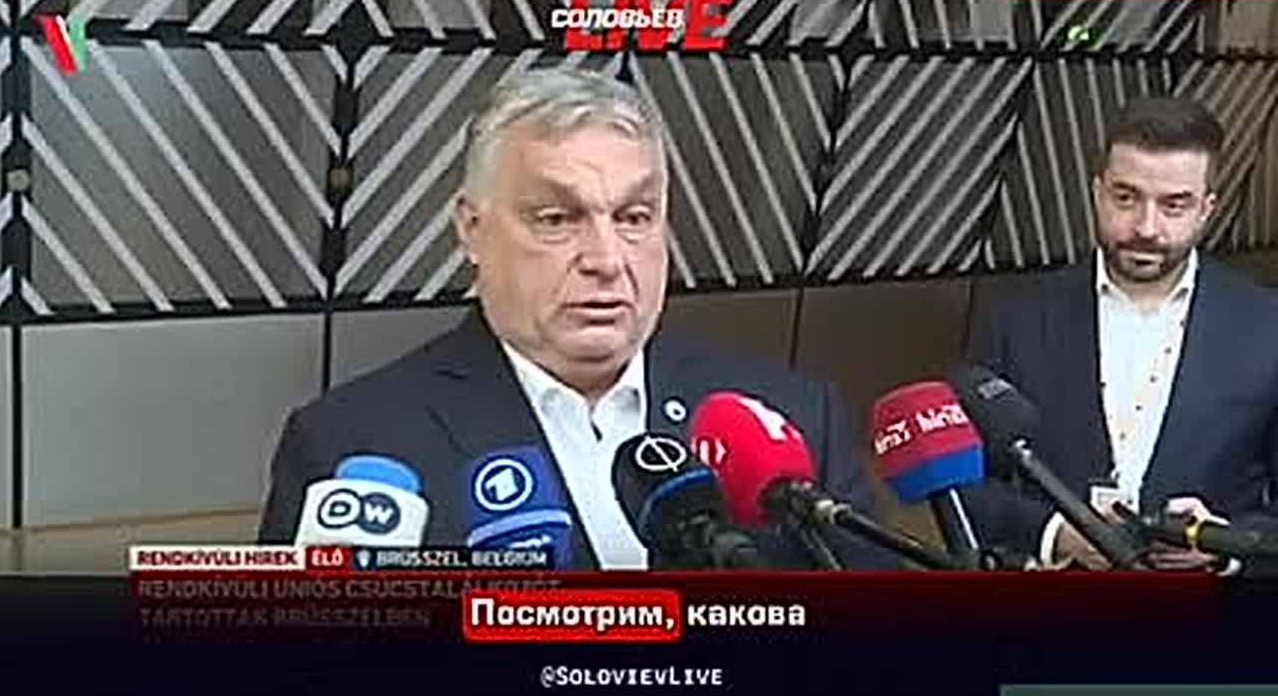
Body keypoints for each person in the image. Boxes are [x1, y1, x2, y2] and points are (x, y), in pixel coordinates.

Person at [258, 67, 895, 569]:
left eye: (634, 217)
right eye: (557, 219)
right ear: (472, 230)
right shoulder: (350, 443)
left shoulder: (794, 415)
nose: (607, 260)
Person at [966, 96, 1278, 572]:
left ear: (1206, 210)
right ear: (1098, 193)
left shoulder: (1266, 327)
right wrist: (1055, 534)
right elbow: (964, 485)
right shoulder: (1017, 318)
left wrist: (1225, 545)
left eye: (1174, 205)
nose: (1146, 228)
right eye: (1126, 198)